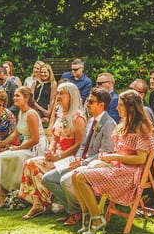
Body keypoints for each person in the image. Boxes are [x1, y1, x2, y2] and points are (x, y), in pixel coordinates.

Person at [71, 90, 154, 234]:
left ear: (131, 107)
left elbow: (140, 159)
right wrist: (108, 157)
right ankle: (88, 218)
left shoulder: (141, 128)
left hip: (129, 175)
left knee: (81, 177)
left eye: (121, 105)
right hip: (117, 167)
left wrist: (114, 157)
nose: (117, 108)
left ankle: (96, 220)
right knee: (75, 175)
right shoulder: (124, 124)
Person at [42, 87, 116, 225]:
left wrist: (81, 163)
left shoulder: (109, 124)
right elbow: (82, 145)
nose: (87, 104)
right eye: (87, 100)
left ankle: (77, 213)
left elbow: (104, 154)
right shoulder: (90, 121)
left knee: (65, 180)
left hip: (96, 166)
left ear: (101, 105)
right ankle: (75, 211)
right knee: (48, 179)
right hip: (81, 160)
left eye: (91, 102)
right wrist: (77, 158)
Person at [19, 82, 86, 219]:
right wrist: (50, 151)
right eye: (58, 93)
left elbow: (79, 144)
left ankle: (46, 204)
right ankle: (39, 204)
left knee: (35, 166)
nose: (59, 96)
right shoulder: (60, 114)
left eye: (62, 93)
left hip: (70, 159)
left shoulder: (78, 117)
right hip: (57, 156)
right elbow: (55, 138)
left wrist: (59, 156)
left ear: (71, 96)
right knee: (29, 163)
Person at [0, 87, 47, 208]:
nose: (14, 98)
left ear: (27, 98)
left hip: (35, 149)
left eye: (18, 96)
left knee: (4, 158)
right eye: (14, 96)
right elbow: (15, 133)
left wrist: (17, 148)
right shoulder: (21, 112)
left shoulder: (31, 114)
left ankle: (1, 195)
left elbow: (35, 139)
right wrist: (1, 144)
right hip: (26, 147)